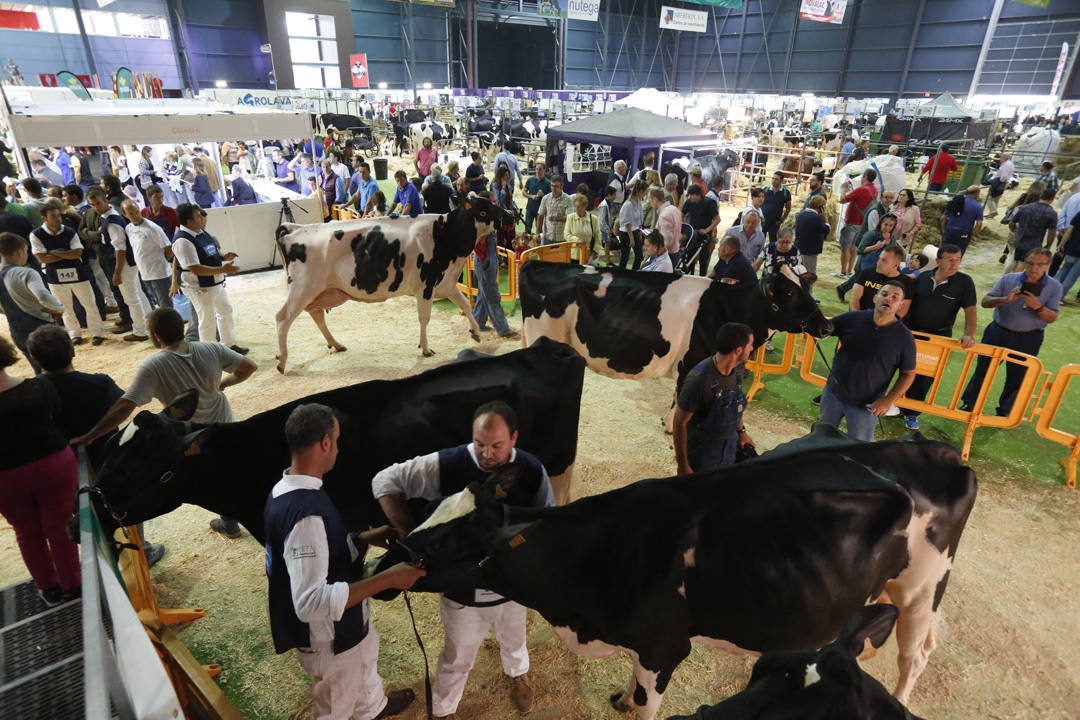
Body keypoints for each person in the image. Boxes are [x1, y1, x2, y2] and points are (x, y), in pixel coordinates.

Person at [372, 401, 552, 720]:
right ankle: (443, 710)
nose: (487, 454)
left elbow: (547, 520)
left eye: (497, 446)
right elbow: (385, 481)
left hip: (512, 586)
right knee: (458, 655)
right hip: (461, 592)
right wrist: (409, 534)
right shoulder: (449, 463)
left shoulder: (532, 469)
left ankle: (517, 674)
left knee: (514, 635)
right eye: (480, 444)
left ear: (514, 438)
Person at [264, 403, 422, 720]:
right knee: (336, 704)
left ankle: (373, 708)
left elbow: (316, 551)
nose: (337, 447)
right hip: (328, 639)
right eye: (336, 440)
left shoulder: (289, 487)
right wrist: (389, 578)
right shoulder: (304, 514)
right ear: (324, 442)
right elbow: (310, 603)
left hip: (344, 629)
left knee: (364, 663)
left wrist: (360, 540)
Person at [72, 308, 257, 537]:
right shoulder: (211, 347)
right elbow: (249, 367)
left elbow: (126, 406)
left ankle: (229, 522)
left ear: (156, 335)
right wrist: (223, 384)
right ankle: (232, 519)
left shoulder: (154, 365)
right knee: (227, 471)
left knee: (203, 480)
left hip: (188, 434)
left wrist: (90, 436)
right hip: (223, 423)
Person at [0, 335, 81, 607]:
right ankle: (73, 583)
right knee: (60, 526)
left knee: (26, 532)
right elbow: (57, 417)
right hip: (53, 464)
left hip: (5, 477)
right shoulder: (39, 387)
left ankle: (48, 587)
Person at [960, 248, 1061, 417]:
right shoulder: (1009, 280)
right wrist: (1005, 299)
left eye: (1040, 264)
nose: (1034, 268)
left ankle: (1005, 412)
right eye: (1030, 263)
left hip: (1029, 338)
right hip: (998, 332)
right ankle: (969, 404)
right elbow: (985, 302)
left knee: (1017, 377)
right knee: (982, 370)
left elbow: (1052, 317)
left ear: (1048, 265)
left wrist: (1038, 306)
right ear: (1024, 262)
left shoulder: (1054, 287)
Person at [820, 281, 916, 441]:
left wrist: (888, 400)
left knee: (859, 449)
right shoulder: (853, 318)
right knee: (822, 438)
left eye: (895, 297)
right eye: (884, 294)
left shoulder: (905, 338)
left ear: (900, 305)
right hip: (833, 394)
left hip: (867, 406)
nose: (888, 299)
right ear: (875, 298)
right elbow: (826, 328)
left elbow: (908, 374)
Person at [901, 244, 978, 430]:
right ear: (938, 260)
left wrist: (968, 334)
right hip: (911, 332)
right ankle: (892, 402)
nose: (955, 264)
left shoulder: (964, 282)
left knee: (924, 376)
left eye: (958, 260)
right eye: (950, 260)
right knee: (899, 368)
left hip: (938, 337)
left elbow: (971, 310)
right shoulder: (923, 278)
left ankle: (912, 413)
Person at [673, 322, 756, 473]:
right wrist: (683, 466)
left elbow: (735, 405)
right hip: (702, 453)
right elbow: (679, 423)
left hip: (730, 447)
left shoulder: (738, 370)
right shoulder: (699, 380)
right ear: (738, 350)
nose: (752, 348)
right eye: (750, 344)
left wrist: (741, 432)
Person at [171, 203, 248, 354]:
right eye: (198, 216)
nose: (202, 218)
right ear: (189, 221)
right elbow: (195, 268)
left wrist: (224, 257)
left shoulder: (201, 233)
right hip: (199, 287)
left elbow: (211, 253)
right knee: (207, 320)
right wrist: (224, 269)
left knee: (225, 310)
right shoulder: (183, 241)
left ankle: (228, 345)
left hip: (215, 283)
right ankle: (209, 354)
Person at [30, 201, 107, 345]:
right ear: (44, 218)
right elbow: (41, 257)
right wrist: (65, 253)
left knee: (90, 304)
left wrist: (54, 253)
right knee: (65, 307)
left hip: (78, 274)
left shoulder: (69, 231)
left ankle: (97, 332)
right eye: (53, 216)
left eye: (58, 216)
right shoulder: (36, 234)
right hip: (55, 277)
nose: (58, 219)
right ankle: (74, 334)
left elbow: (77, 252)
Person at [88, 188, 151, 340]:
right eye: (93, 204)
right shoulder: (108, 218)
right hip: (126, 263)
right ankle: (150, 324)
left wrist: (117, 273)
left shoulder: (112, 222)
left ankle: (141, 331)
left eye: (98, 203)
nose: (96, 207)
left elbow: (120, 249)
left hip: (123, 265)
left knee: (131, 299)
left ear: (106, 201)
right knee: (139, 295)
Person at [0, 232, 65, 372]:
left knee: (38, 369)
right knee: (58, 368)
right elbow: (43, 296)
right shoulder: (26, 273)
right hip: (40, 327)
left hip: (16, 329)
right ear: (19, 251)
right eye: (25, 250)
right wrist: (58, 309)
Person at [121, 199, 174, 309]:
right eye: (131, 213)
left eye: (136, 211)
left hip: (160, 274)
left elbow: (168, 248)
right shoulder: (128, 228)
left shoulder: (152, 228)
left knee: (166, 306)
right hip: (144, 274)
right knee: (155, 305)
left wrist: (162, 264)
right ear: (124, 215)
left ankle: (170, 325)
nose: (135, 215)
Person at [836, 169, 878, 278]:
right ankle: (849, 271)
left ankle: (843, 271)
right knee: (854, 247)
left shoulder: (861, 189)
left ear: (865, 177)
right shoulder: (874, 190)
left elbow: (842, 199)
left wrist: (844, 189)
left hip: (851, 222)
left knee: (845, 248)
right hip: (862, 223)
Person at [848, 245, 913, 315]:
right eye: (879, 259)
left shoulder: (906, 282)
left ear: (895, 265)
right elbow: (854, 298)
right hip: (860, 317)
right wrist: (857, 318)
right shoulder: (867, 273)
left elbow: (902, 310)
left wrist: (886, 324)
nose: (878, 263)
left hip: (886, 323)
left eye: (884, 260)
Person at [1008, 188, 1058, 268]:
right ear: (1052, 199)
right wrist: (1048, 245)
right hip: (1034, 244)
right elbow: (1051, 232)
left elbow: (1011, 222)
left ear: (1041, 196)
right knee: (1023, 264)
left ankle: (1011, 278)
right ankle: (1015, 280)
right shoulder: (1051, 213)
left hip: (1019, 240)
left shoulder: (1025, 208)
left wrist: (1014, 231)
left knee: (1016, 262)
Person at [684, 185, 721, 276]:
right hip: (692, 236)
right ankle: (689, 277)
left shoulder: (709, 203)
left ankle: (702, 279)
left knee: (703, 261)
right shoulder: (689, 203)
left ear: (698, 195)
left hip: (704, 237)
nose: (690, 197)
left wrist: (706, 230)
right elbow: (681, 215)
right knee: (689, 260)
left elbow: (717, 219)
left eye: (692, 195)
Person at [795, 193, 829, 286]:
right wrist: (825, 219)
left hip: (799, 248)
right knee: (809, 276)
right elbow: (826, 230)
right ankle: (808, 296)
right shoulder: (816, 218)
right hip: (810, 251)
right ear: (821, 207)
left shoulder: (801, 214)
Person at [939, 186, 983, 255]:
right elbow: (979, 224)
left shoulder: (956, 202)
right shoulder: (978, 206)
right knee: (957, 255)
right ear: (977, 194)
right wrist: (972, 235)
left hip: (950, 230)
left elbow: (943, 218)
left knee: (943, 253)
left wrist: (944, 229)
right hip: (964, 233)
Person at [616, 180, 646, 269]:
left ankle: (634, 273)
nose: (646, 195)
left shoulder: (638, 202)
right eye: (645, 192)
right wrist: (631, 238)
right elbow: (627, 223)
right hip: (626, 233)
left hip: (635, 230)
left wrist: (640, 231)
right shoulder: (628, 204)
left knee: (639, 256)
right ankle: (621, 275)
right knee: (625, 256)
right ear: (640, 191)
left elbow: (640, 218)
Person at [651, 187, 683, 269]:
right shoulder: (674, 209)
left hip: (668, 256)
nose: (650, 203)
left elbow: (667, 242)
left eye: (650, 200)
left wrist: (654, 253)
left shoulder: (664, 215)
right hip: (675, 252)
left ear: (654, 199)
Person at [538, 175, 573, 246]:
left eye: (556, 186)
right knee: (545, 257)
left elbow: (569, 218)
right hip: (547, 237)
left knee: (561, 257)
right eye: (552, 186)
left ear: (561, 186)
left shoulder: (568, 200)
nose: (554, 188)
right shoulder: (545, 198)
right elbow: (540, 216)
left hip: (562, 238)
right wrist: (538, 232)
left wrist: (556, 218)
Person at [564, 193, 600, 261]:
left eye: (579, 206)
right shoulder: (570, 218)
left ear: (585, 205)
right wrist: (577, 240)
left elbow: (597, 235)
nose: (576, 209)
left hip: (588, 255)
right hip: (573, 255)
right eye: (575, 206)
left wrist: (596, 250)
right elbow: (566, 235)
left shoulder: (594, 219)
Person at [1053, 210, 1080, 298]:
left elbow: (1069, 231)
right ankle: (1059, 297)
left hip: (1072, 248)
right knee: (1072, 276)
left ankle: (1051, 292)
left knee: (1063, 270)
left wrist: (1061, 244)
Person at [760, 171, 791, 244]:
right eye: (773, 178)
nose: (773, 181)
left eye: (776, 179)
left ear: (781, 180)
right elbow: (759, 203)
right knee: (760, 241)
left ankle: (771, 255)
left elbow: (788, 208)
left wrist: (782, 220)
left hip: (775, 223)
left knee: (773, 243)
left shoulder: (786, 193)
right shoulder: (765, 190)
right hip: (763, 221)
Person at [522, 163, 550, 237]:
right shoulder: (530, 180)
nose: (538, 171)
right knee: (527, 230)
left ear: (544, 170)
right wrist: (531, 196)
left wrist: (543, 195)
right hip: (530, 209)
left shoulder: (548, 183)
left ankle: (539, 247)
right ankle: (526, 247)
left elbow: (550, 199)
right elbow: (524, 192)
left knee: (539, 232)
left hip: (540, 211)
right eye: (536, 169)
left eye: (540, 169)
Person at [984, 152, 1014, 218]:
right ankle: (991, 213)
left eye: (1001, 157)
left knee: (990, 198)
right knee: (996, 198)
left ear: (1005, 158)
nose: (1000, 158)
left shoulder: (1006, 165)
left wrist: (997, 182)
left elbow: (1003, 176)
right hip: (1004, 182)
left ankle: (993, 211)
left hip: (1000, 182)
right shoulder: (1009, 164)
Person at [596, 185, 617, 264]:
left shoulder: (609, 203)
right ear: (609, 195)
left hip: (607, 227)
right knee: (605, 245)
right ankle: (607, 261)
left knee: (607, 244)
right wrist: (607, 229)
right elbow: (601, 220)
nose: (615, 196)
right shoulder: (604, 205)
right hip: (604, 228)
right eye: (614, 194)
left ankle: (608, 261)